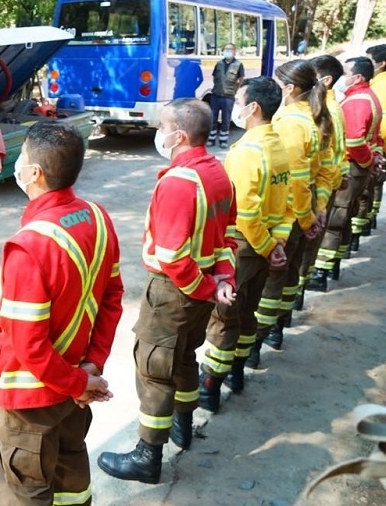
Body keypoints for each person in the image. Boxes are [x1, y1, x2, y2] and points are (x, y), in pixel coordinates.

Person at [0, 121, 123, 506]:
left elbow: (28, 345)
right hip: (76, 385)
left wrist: (78, 383)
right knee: (72, 477)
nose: (18, 164)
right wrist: (90, 367)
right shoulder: (97, 217)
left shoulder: (29, 246)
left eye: (22, 157)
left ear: (34, 173)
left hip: (34, 401)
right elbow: (112, 297)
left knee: (24, 494)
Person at [98, 98, 236, 484]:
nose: (160, 134)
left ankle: (147, 455)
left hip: (175, 291)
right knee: (184, 357)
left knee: (154, 368)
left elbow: (172, 256)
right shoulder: (217, 172)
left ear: (180, 134)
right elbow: (226, 237)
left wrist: (207, 288)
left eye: (162, 127)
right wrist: (220, 280)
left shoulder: (179, 182)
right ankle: (183, 425)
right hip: (200, 286)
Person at [198, 77, 292, 412]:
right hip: (267, 245)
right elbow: (286, 202)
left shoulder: (246, 153)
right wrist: (276, 244)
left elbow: (245, 213)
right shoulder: (278, 147)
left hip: (243, 247)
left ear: (253, 107)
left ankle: (209, 385)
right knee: (248, 313)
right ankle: (236, 374)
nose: (235, 107)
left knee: (225, 319)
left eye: (239, 101)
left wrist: (265, 246)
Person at [254, 60, 331, 354]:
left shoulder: (290, 124)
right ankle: (276, 329)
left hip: (287, 211)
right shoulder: (313, 117)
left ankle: (258, 341)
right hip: (303, 206)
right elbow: (323, 169)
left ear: (289, 88)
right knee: (288, 276)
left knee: (273, 279)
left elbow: (294, 181)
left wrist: (303, 218)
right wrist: (315, 209)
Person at [306, 55, 349, 292]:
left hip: (319, 188)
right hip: (326, 186)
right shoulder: (330, 107)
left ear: (326, 79)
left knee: (303, 257)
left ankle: (277, 324)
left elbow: (328, 158)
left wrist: (319, 203)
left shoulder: (326, 111)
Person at [335, 57, 383, 255]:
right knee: (347, 211)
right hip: (359, 164)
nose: (342, 78)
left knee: (338, 214)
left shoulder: (357, 101)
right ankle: (337, 257)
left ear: (357, 77)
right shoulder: (364, 96)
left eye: (345, 73)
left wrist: (367, 161)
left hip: (354, 164)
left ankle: (323, 271)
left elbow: (354, 140)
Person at [365, 44, 386, 231]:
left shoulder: (380, 87)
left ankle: (365, 223)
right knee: (377, 185)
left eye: (371, 61)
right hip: (380, 144)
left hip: (379, 143)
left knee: (372, 185)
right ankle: (369, 219)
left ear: (382, 64)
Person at [208, 43, 245, 148]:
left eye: (230, 49)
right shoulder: (219, 64)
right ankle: (211, 139)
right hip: (216, 95)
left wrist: (235, 89)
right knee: (213, 118)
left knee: (226, 119)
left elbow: (241, 79)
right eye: (226, 49)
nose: (227, 51)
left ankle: (223, 140)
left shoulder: (238, 64)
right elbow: (214, 77)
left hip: (228, 97)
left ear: (234, 51)